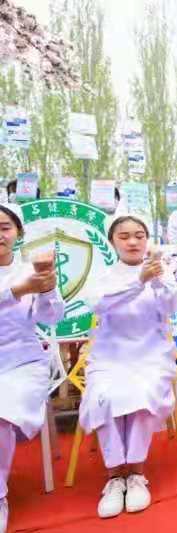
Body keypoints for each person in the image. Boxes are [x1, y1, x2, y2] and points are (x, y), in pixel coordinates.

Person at [80, 216, 177, 518]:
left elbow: (172, 307)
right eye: (124, 236)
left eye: (139, 235)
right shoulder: (103, 276)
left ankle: (136, 473)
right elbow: (99, 304)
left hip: (151, 356)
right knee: (105, 396)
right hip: (109, 357)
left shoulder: (159, 271)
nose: (133, 242)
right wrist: (139, 281)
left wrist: (160, 279)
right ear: (112, 241)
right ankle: (114, 477)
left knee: (141, 394)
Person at [0, 204, 64, 533]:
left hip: (21, 363)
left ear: (18, 233)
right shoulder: (20, 282)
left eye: (4, 227)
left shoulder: (31, 270)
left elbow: (51, 318)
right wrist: (17, 291)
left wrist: (48, 289)